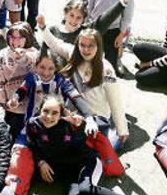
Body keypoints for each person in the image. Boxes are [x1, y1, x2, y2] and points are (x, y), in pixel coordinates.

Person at [25, 97, 165, 195]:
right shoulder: (33, 125)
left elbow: (86, 141)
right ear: (39, 110)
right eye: (45, 111)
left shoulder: (69, 124)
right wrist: (41, 162)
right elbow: (32, 145)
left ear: (61, 114)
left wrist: (80, 126)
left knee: (86, 190)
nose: (49, 117)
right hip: (68, 171)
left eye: (54, 113)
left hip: (87, 162)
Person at [38, 14, 128, 150]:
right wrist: (43, 27)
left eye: (91, 46)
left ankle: (114, 134)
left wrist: (122, 130)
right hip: (73, 115)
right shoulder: (73, 54)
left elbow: (115, 102)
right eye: (82, 45)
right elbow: (54, 43)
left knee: (102, 152)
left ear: (98, 46)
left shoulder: (107, 69)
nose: (86, 50)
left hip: (97, 118)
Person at [0, 22, 39, 140]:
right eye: (12, 37)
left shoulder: (34, 54)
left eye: (20, 38)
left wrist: (22, 57)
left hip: (27, 111)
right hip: (7, 108)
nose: (15, 41)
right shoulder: (3, 53)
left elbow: (30, 63)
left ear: (27, 38)